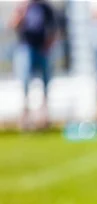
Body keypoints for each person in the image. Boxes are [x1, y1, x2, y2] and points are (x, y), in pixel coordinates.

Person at [10, 0, 57, 130]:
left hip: (42, 48)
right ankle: (25, 115)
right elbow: (13, 25)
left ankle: (44, 115)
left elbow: (53, 29)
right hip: (26, 47)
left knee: (46, 81)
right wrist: (22, 13)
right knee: (25, 81)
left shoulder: (45, 7)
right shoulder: (22, 7)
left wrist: (48, 45)